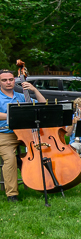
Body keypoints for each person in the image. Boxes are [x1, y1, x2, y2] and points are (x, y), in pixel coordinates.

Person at [0, 69, 45, 201]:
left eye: (10, 79)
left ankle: (45, 183)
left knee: (43, 150)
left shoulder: (21, 96)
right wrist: (14, 115)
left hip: (25, 133)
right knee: (10, 160)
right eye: (4, 80)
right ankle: (12, 194)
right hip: (5, 134)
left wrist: (35, 90)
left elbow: (43, 104)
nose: (8, 82)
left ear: (14, 81)